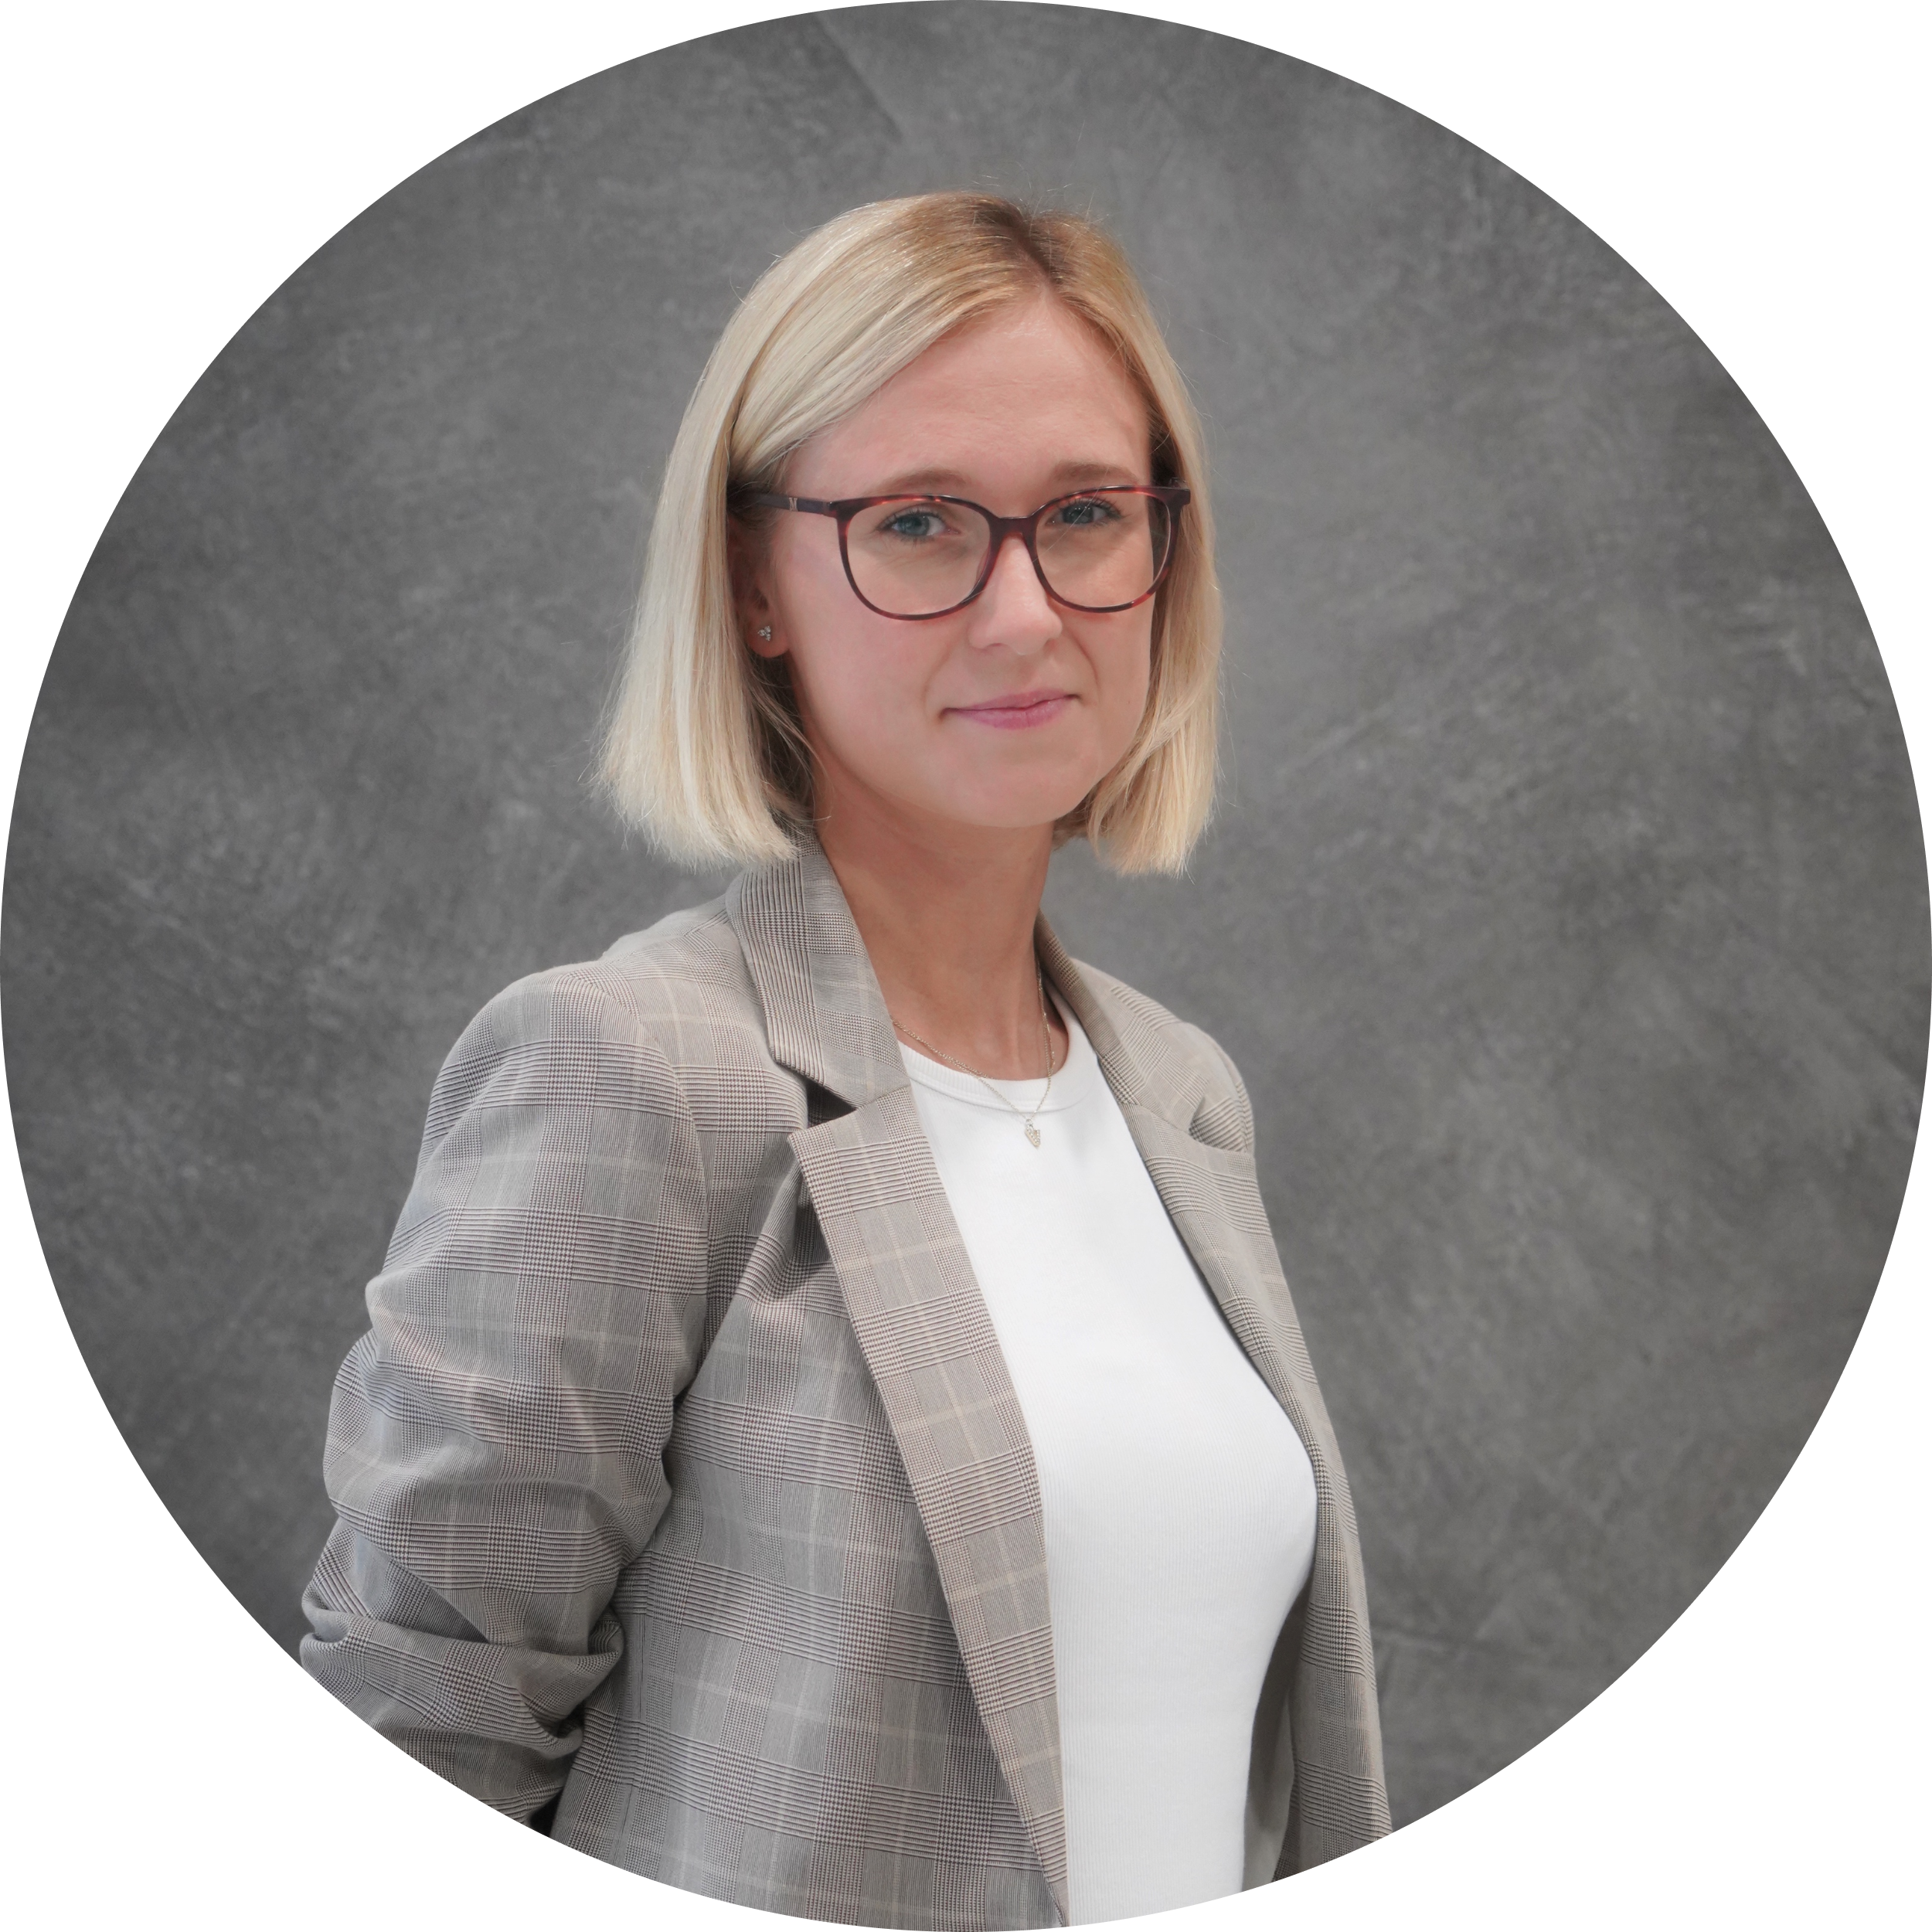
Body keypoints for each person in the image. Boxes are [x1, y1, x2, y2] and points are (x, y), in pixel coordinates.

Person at [299, 189, 1391, 1932]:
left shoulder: (1181, 1091)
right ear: (751, 583)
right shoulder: (631, 1071)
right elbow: (409, 1757)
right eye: (918, 524)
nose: (1026, 611)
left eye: (1087, 515)